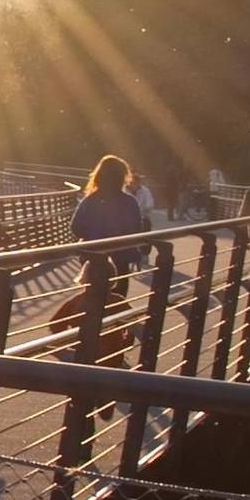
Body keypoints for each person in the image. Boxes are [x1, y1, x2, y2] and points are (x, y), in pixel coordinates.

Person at [70, 153, 151, 359]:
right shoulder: (129, 202)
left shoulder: (91, 200)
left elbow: (75, 227)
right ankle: (114, 332)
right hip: (122, 255)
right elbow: (136, 229)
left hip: (94, 256)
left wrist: (92, 235)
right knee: (117, 295)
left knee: (92, 294)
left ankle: (89, 331)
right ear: (123, 177)